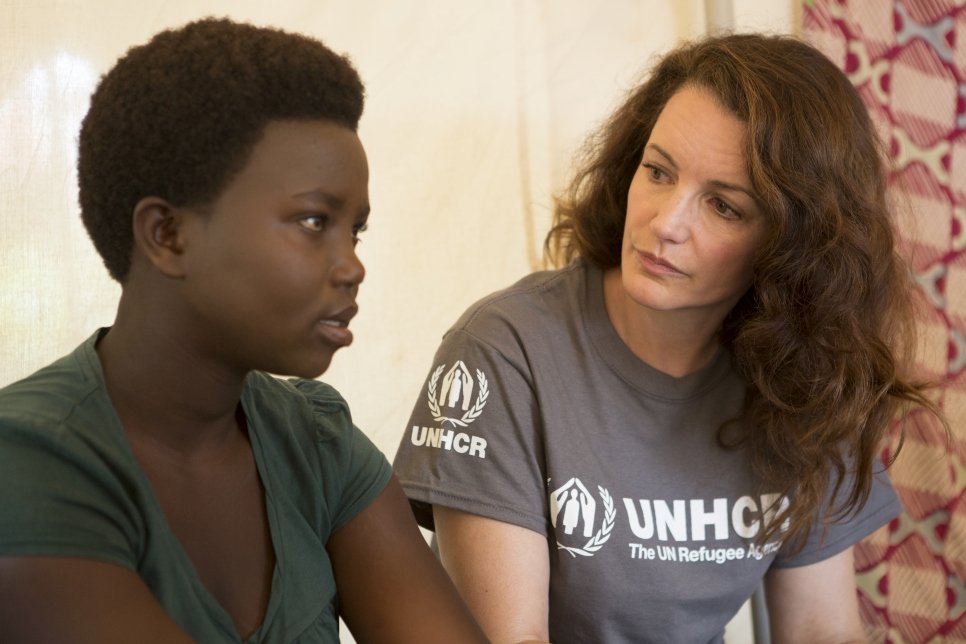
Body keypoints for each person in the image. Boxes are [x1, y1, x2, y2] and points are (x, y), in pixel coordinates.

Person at [393, 32, 945, 643]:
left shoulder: (807, 378)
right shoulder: (502, 352)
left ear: (793, 246)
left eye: (724, 207)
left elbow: (821, 631)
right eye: (658, 171)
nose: (665, 223)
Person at [0, 18, 488, 644]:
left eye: (355, 229)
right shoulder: (30, 464)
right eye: (315, 221)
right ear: (167, 235)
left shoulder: (317, 442)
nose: (353, 266)